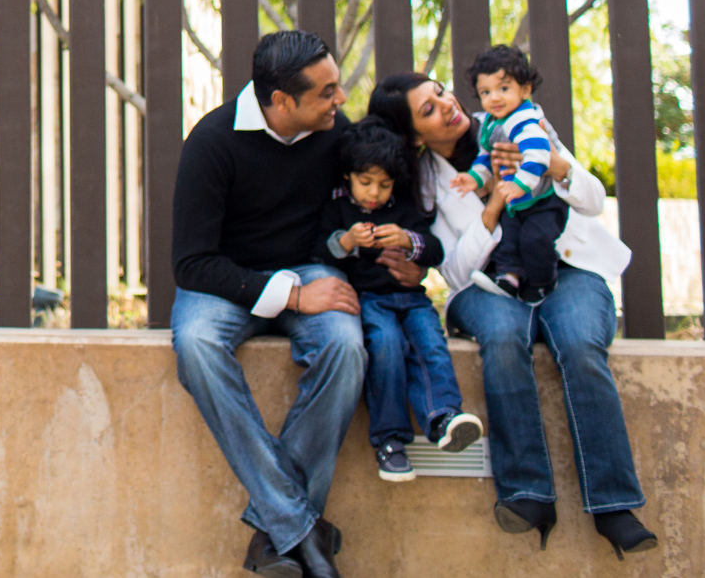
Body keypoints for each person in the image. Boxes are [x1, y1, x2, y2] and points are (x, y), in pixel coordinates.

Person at [368, 64, 659, 562]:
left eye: (442, 93)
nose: (450, 106)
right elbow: (455, 270)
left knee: (579, 342)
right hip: (488, 285)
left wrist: (554, 167)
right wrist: (491, 210)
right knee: (503, 339)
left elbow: (593, 202)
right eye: (429, 110)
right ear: (413, 136)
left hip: (567, 268)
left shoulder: (514, 120)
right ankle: (527, 494)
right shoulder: (424, 186)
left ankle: (614, 505)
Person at [171, 29, 365, 578]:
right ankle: (303, 529)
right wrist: (292, 295)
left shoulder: (334, 133)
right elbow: (191, 263)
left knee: (347, 347)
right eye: (326, 92)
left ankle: (279, 532)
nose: (339, 100)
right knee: (198, 345)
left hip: (308, 268)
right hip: (226, 280)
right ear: (281, 101)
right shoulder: (212, 142)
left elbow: (383, 174)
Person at [314, 116, 484, 482]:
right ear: (348, 176)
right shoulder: (337, 209)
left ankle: (443, 418)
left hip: (412, 300)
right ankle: (390, 440)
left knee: (430, 345)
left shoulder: (402, 210)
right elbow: (321, 252)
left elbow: (433, 249)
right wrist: (347, 241)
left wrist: (409, 241)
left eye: (384, 185)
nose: (374, 193)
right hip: (371, 301)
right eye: (366, 183)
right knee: (386, 348)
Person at [451, 46, 569, 302]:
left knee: (535, 240)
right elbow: (486, 157)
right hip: (518, 199)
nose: (494, 97)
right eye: (486, 92)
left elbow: (539, 154)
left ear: (525, 90)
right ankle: (509, 279)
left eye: (503, 89)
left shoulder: (524, 119)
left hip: (543, 201)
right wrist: (474, 177)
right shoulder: (492, 123)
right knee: (509, 238)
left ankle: (542, 283)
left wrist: (520, 184)